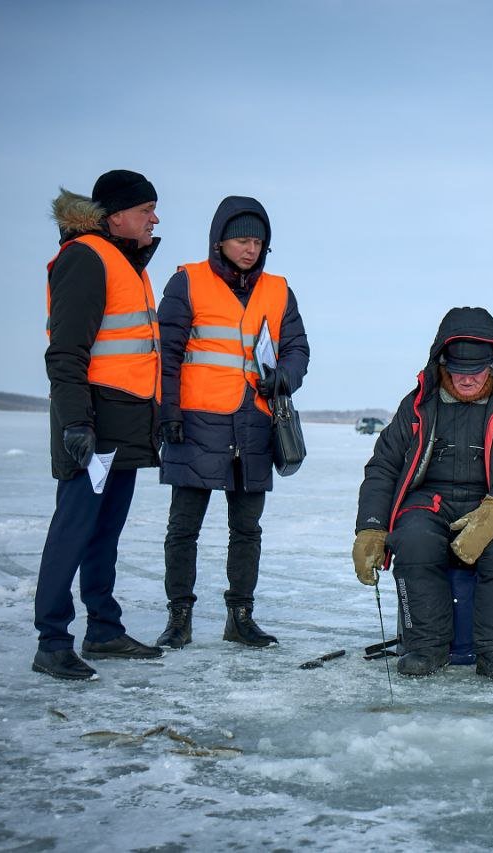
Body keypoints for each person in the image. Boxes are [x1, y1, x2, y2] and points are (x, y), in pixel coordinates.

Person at [351, 307, 493, 681]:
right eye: (457, 371)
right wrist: (372, 527)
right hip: (430, 504)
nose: (466, 380)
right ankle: (425, 646)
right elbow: (383, 466)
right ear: (441, 365)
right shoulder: (417, 406)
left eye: (475, 371)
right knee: (412, 538)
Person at [154, 197, 310, 649]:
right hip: (197, 422)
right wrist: (167, 412)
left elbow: (297, 348)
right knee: (184, 527)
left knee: (247, 529)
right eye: (243, 240)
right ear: (219, 240)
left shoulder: (279, 290)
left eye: (259, 242)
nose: (251, 249)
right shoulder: (187, 282)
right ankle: (178, 618)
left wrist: (284, 377)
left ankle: (239, 618)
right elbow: (167, 354)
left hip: (255, 423)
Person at [35, 170, 166, 680]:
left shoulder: (126, 264)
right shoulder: (86, 259)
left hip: (124, 422)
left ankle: (104, 629)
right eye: (146, 209)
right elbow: (66, 352)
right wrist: (75, 422)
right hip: (91, 424)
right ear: (115, 216)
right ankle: (51, 640)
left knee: (104, 533)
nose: (154, 218)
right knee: (73, 529)